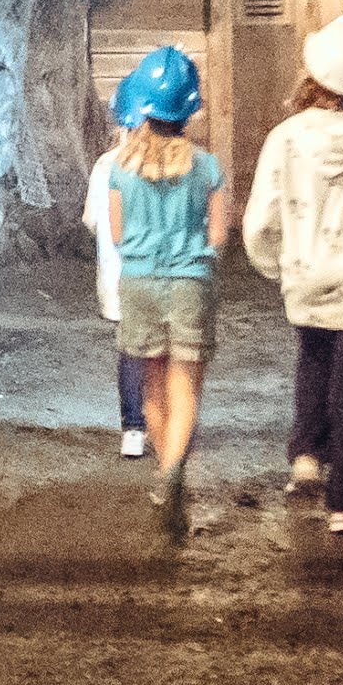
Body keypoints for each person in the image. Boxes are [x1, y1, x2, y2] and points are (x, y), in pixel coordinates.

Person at [240, 13, 343, 534]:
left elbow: (261, 217)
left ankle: (306, 457)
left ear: (317, 78)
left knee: (312, 358)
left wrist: (272, 263)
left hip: (306, 270)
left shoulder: (287, 137)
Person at [99, 43, 227, 531]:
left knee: (151, 386)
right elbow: (218, 235)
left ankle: (163, 472)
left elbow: (115, 235)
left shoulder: (119, 169)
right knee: (186, 387)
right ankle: (176, 471)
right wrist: (193, 254)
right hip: (190, 285)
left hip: (140, 285)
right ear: (187, 110)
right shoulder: (208, 167)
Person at [82, 66, 153, 460]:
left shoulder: (105, 165)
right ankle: (167, 423)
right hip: (163, 275)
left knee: (132, 352)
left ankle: (133, 427)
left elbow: (93, 221)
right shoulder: (182, 164)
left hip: (120, 279)